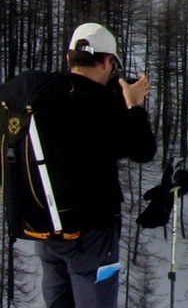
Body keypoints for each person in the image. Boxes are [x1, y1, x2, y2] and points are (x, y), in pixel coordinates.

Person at [1, 23, 155, 307]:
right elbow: (143, 150)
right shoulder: (101, 105)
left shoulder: (40, 94)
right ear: (108, 61)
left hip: (45, 226)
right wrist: (133, 105)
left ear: (69, 57)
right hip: (91, 232)